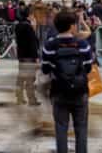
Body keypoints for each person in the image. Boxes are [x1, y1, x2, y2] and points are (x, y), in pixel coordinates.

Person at [41, 9, 95, 153]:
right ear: (71, 26)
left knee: (61, 128)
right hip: (80, 91)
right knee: (81, 128)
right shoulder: (82, 44)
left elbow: (45, 69)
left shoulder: (49, 45)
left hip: (59, 91)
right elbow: (89, 67)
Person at [14, 2, 44, 107]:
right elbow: (32, 43)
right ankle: (32, 99)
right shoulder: (28, 27)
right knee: (30, 79)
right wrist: (36, 57)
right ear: (30, 15)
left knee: (21, 78)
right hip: (29, 57)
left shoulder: (18, 26)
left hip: (21, 56)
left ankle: (19, 97)